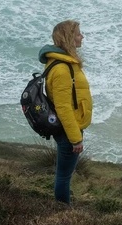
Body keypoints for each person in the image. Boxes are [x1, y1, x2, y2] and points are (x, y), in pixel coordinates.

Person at [37, 20, 93, 205]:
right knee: (63, 176)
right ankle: (63, 212)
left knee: (65, 173)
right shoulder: (62, 68)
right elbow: (63, 107)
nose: (82, 36)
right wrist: (75, 138)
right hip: (69, 130)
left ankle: (63, 204)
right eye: (78, 34)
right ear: (68, 38)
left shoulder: (64, 63)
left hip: (69, 127)